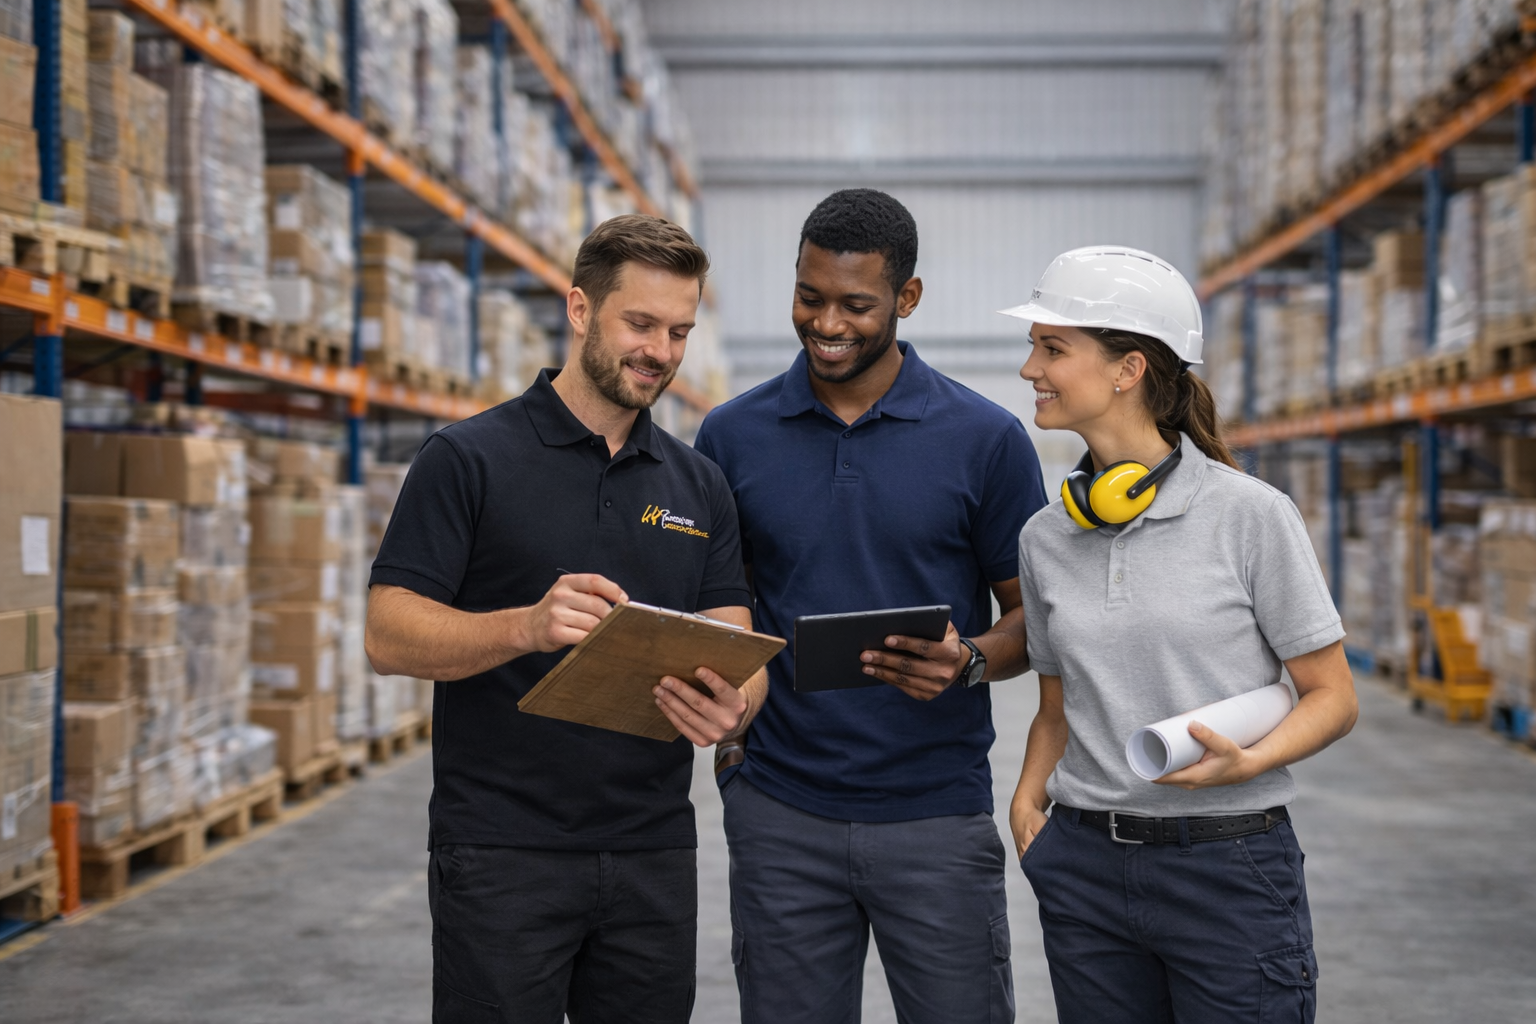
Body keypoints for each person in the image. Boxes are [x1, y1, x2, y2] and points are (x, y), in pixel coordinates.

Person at [365, 214, 764, 1024]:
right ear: (580, 310)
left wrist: (735, 709)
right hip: (503, 852)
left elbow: (735, 643)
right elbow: (387, 633)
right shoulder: (468, 459)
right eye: (640, 324)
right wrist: (525, 626)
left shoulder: (697, 486)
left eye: (679, 331)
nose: (660, 349)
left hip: (652, 850)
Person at [694, 188, 1048, 1024]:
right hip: (781, 813)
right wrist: (730, 746)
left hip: (935, 816)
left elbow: (1035, 623)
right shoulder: (731, 437)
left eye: (857, 304)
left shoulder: (985, 439)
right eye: (809, 297)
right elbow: (717, 610)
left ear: (907, 299)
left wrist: (968, 661)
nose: (827, 322)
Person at [1005, 246, 1359, 1024]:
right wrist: (1030, 805)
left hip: (1227, 868)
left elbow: (1333, 696)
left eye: (1052, 348)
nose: (1030, 367)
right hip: (1085, 869)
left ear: (1128, 369)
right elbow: (1057, 707)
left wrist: (1252, 760)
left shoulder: (1249, 516)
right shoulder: (1046, 536)